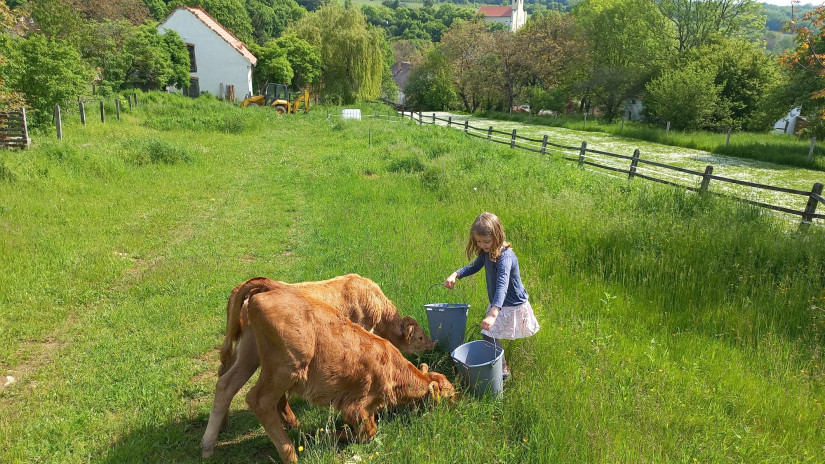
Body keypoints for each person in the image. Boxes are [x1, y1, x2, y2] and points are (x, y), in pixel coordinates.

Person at [443, 212, 539, 381]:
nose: (482, 245)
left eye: (486, 241)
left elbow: (502, 285)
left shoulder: (506, 257)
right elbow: (473, 266)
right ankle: (501, 367)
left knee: (489, 333)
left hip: (509, 304)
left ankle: (502, 370)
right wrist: (455, 274)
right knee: (489, 333)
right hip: (498, 303)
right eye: (478, 241)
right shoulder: (487, 253)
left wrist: (493, 314)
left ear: (497, 236)